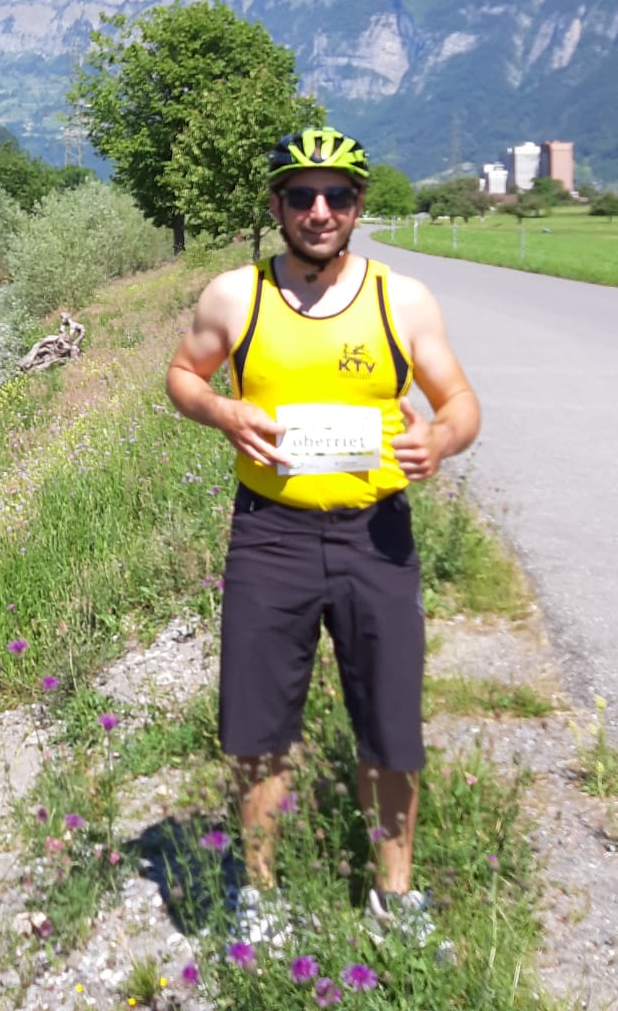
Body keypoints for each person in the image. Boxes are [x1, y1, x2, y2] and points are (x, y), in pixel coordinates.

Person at [165, 125, 481, 946]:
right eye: (301, 195)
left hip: (376, 535)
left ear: (358, 206)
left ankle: (395, 899)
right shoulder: (235, 296)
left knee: (391, 721)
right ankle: (262, 895)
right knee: (257, 722)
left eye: (337, 195)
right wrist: (223, 410)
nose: (319, 210)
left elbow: (460, 404)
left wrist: (440, 440)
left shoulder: (401, 300)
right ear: (276, 206)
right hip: (270, 534)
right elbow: (182, 374)